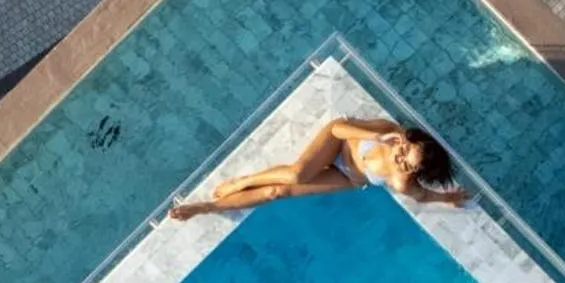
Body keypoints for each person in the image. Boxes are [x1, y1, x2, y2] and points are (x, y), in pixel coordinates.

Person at [170, 118, 468, 220]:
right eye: (405, 149)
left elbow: (423, 198)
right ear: (410, 139)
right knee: (297, 173)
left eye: (408, 164)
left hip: (347, 177)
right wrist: (375, 137)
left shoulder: (403, 183)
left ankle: (206, 208)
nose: (400, 157)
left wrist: (448, 198)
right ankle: (244, 181)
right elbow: (339, 129)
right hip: (338, 144)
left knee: (278, 192)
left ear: (416, 171)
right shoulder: (390, 131)